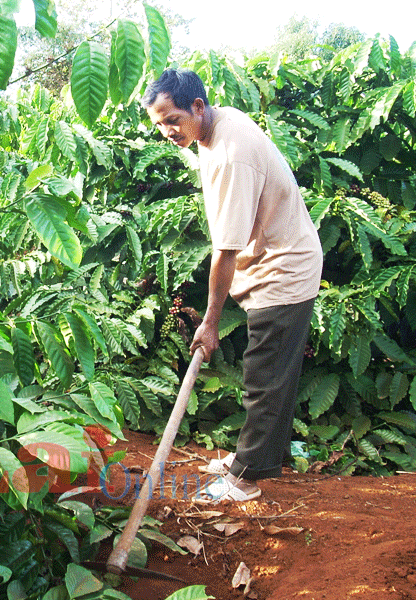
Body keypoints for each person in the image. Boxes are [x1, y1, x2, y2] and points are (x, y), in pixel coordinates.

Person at [141, 69, 323, 503]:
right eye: (159, 125)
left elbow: (226, 248)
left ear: (198, 107)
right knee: (273, 371)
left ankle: (244, 478)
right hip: (271, 262)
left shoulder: (229, 152)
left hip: (283, 269)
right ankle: (257, 457)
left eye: (173, 120)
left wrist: (210, 322)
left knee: (264, 376)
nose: (168, 131)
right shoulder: (217, 128)